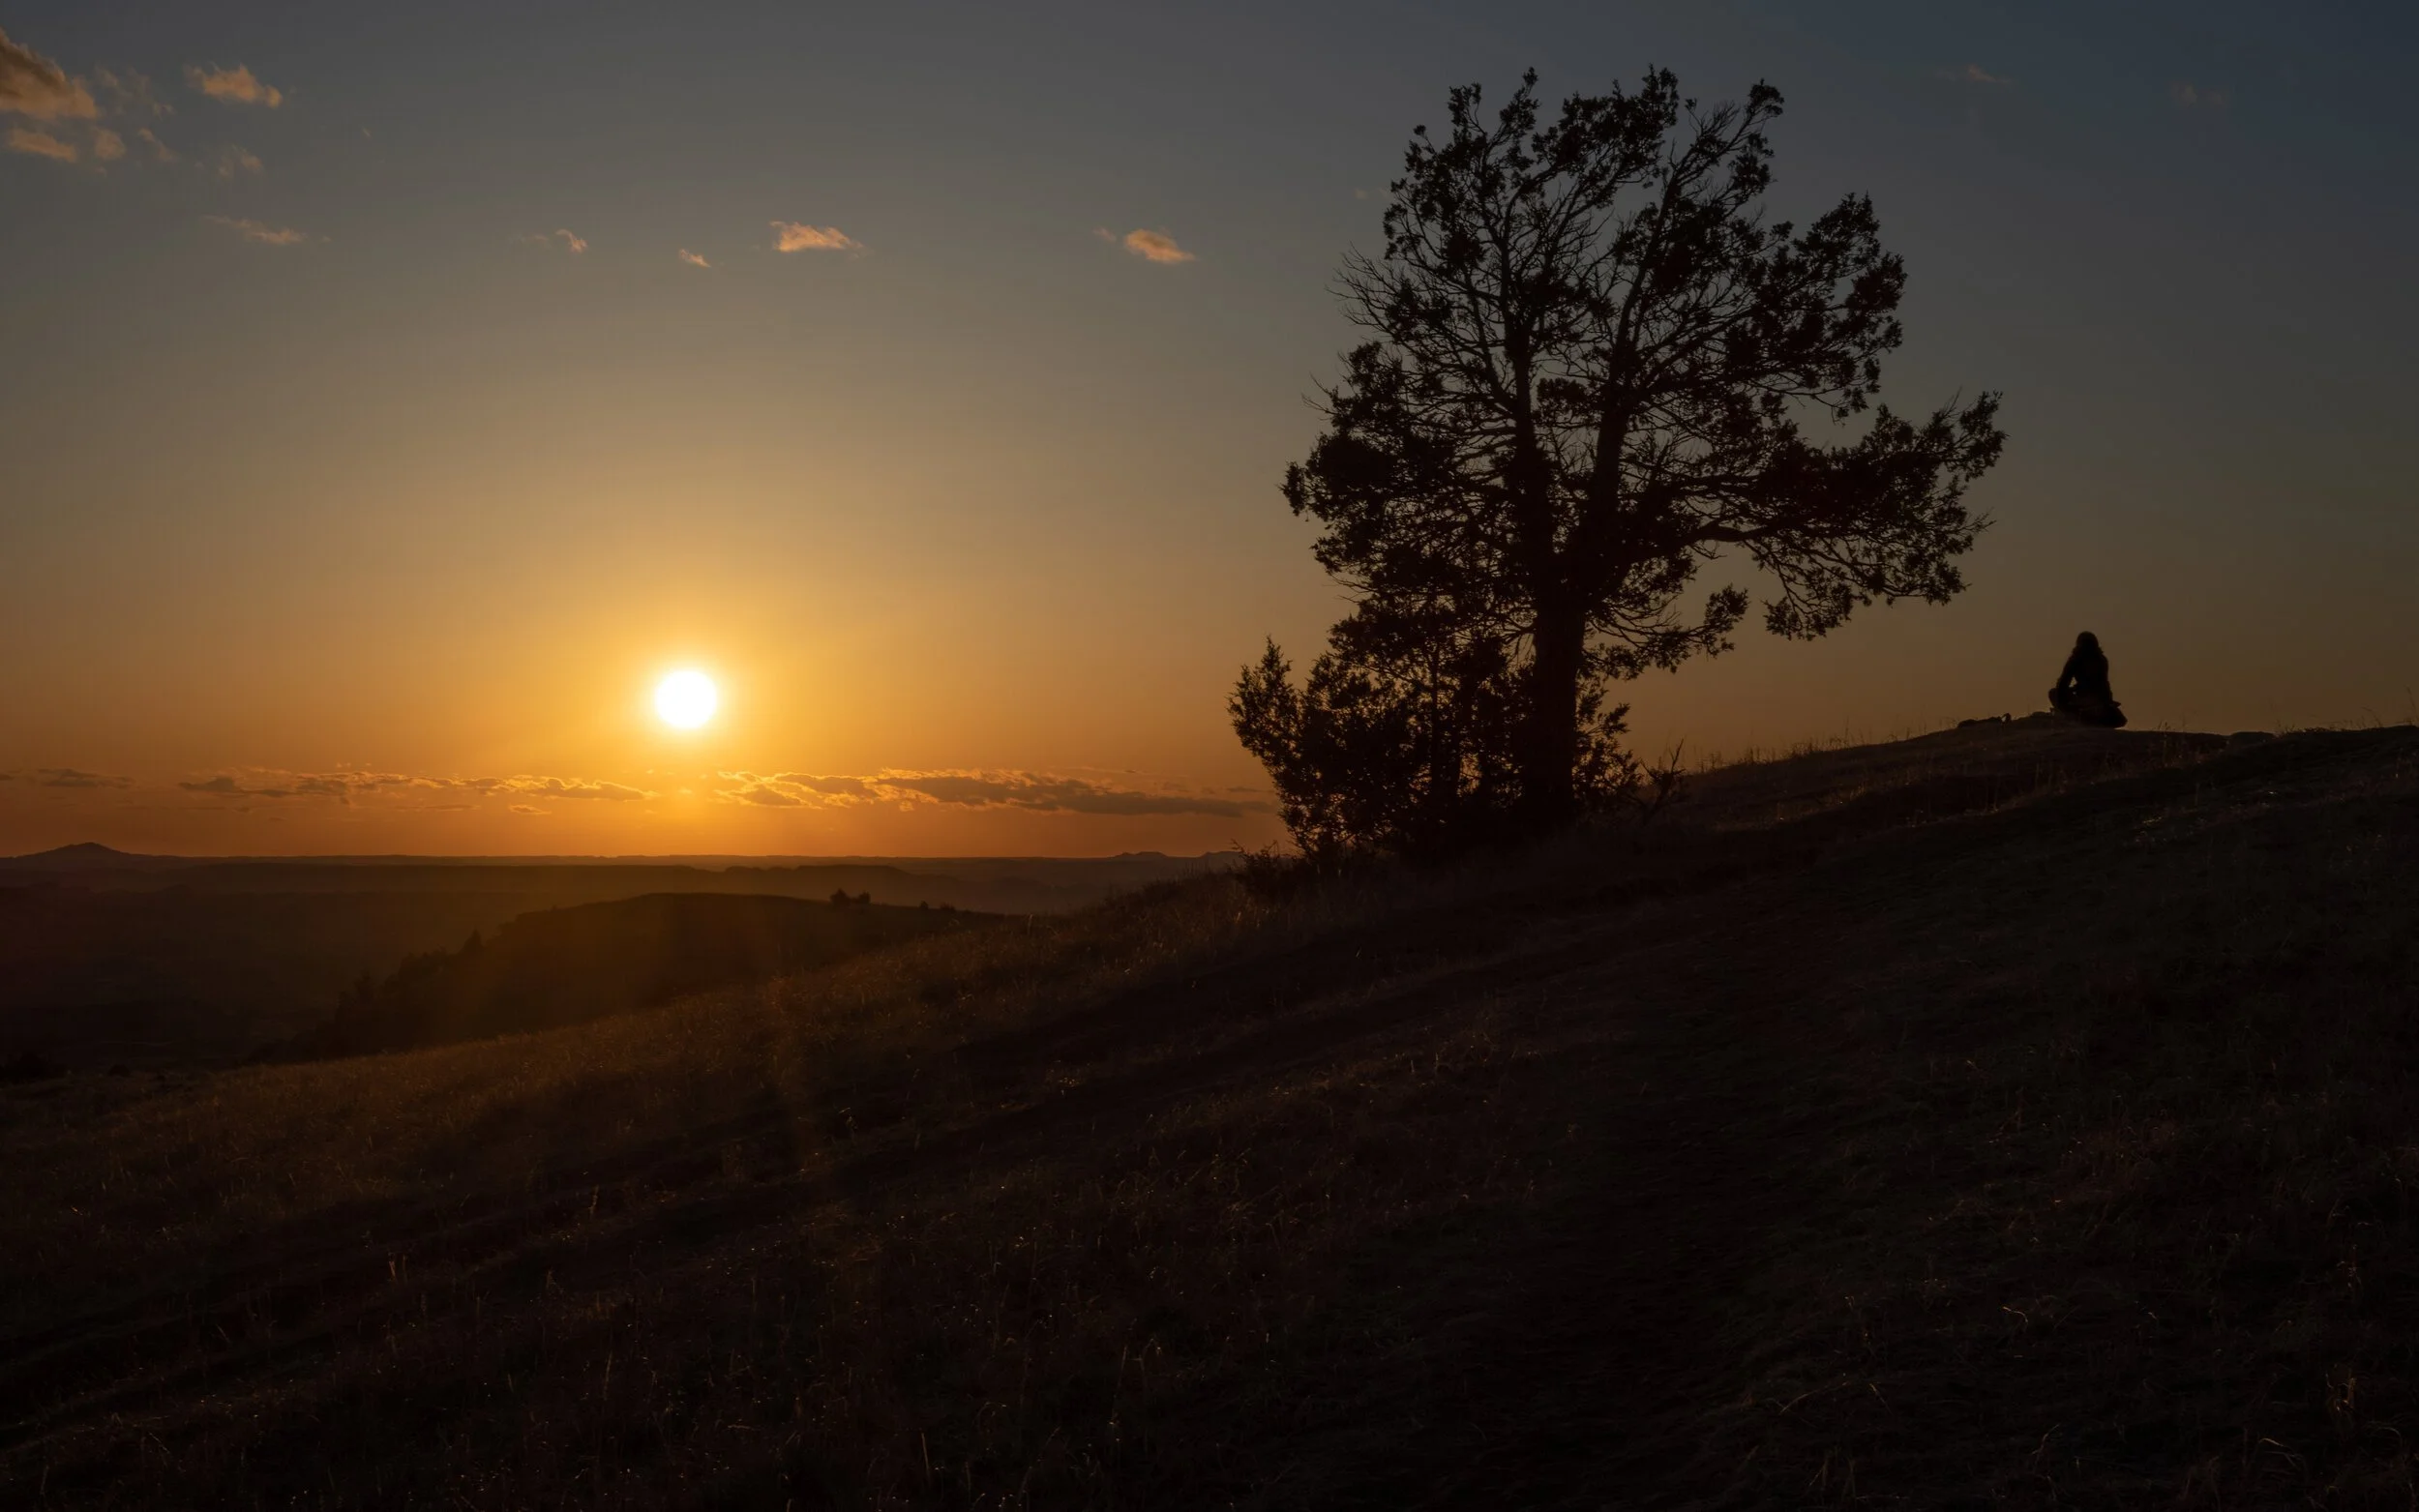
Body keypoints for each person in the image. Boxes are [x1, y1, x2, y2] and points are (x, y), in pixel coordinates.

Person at [2048, 631, 2127, 727]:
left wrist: (2062, 702)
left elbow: (2063, 683)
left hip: (2087, 700)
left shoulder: (2076, 659)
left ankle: (2072, 716)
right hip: (2100, 699)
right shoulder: (2101, 659)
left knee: (2053, 693)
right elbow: (2101, 683)